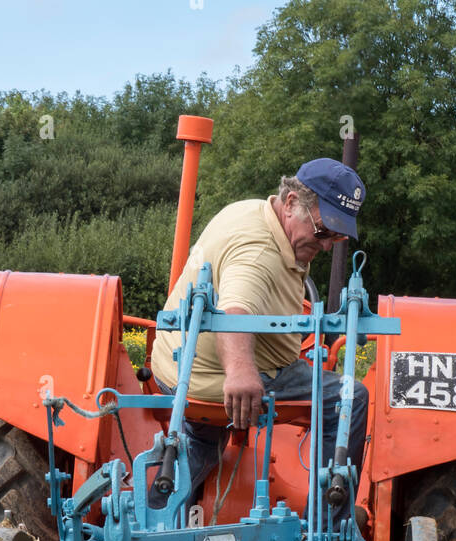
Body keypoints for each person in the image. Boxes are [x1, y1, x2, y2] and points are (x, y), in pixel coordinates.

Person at [150, 159, 369, 510]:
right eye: (323, 231)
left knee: (204, 439)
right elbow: (235, 309)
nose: (328, 245)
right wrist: (239, 372)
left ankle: (164, 502)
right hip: (218, 377)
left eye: (337, 236)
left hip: (176, 369)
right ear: (293, 202)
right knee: (350, 398)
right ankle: (327, 525)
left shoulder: (252, 211)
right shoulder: (259, 251)